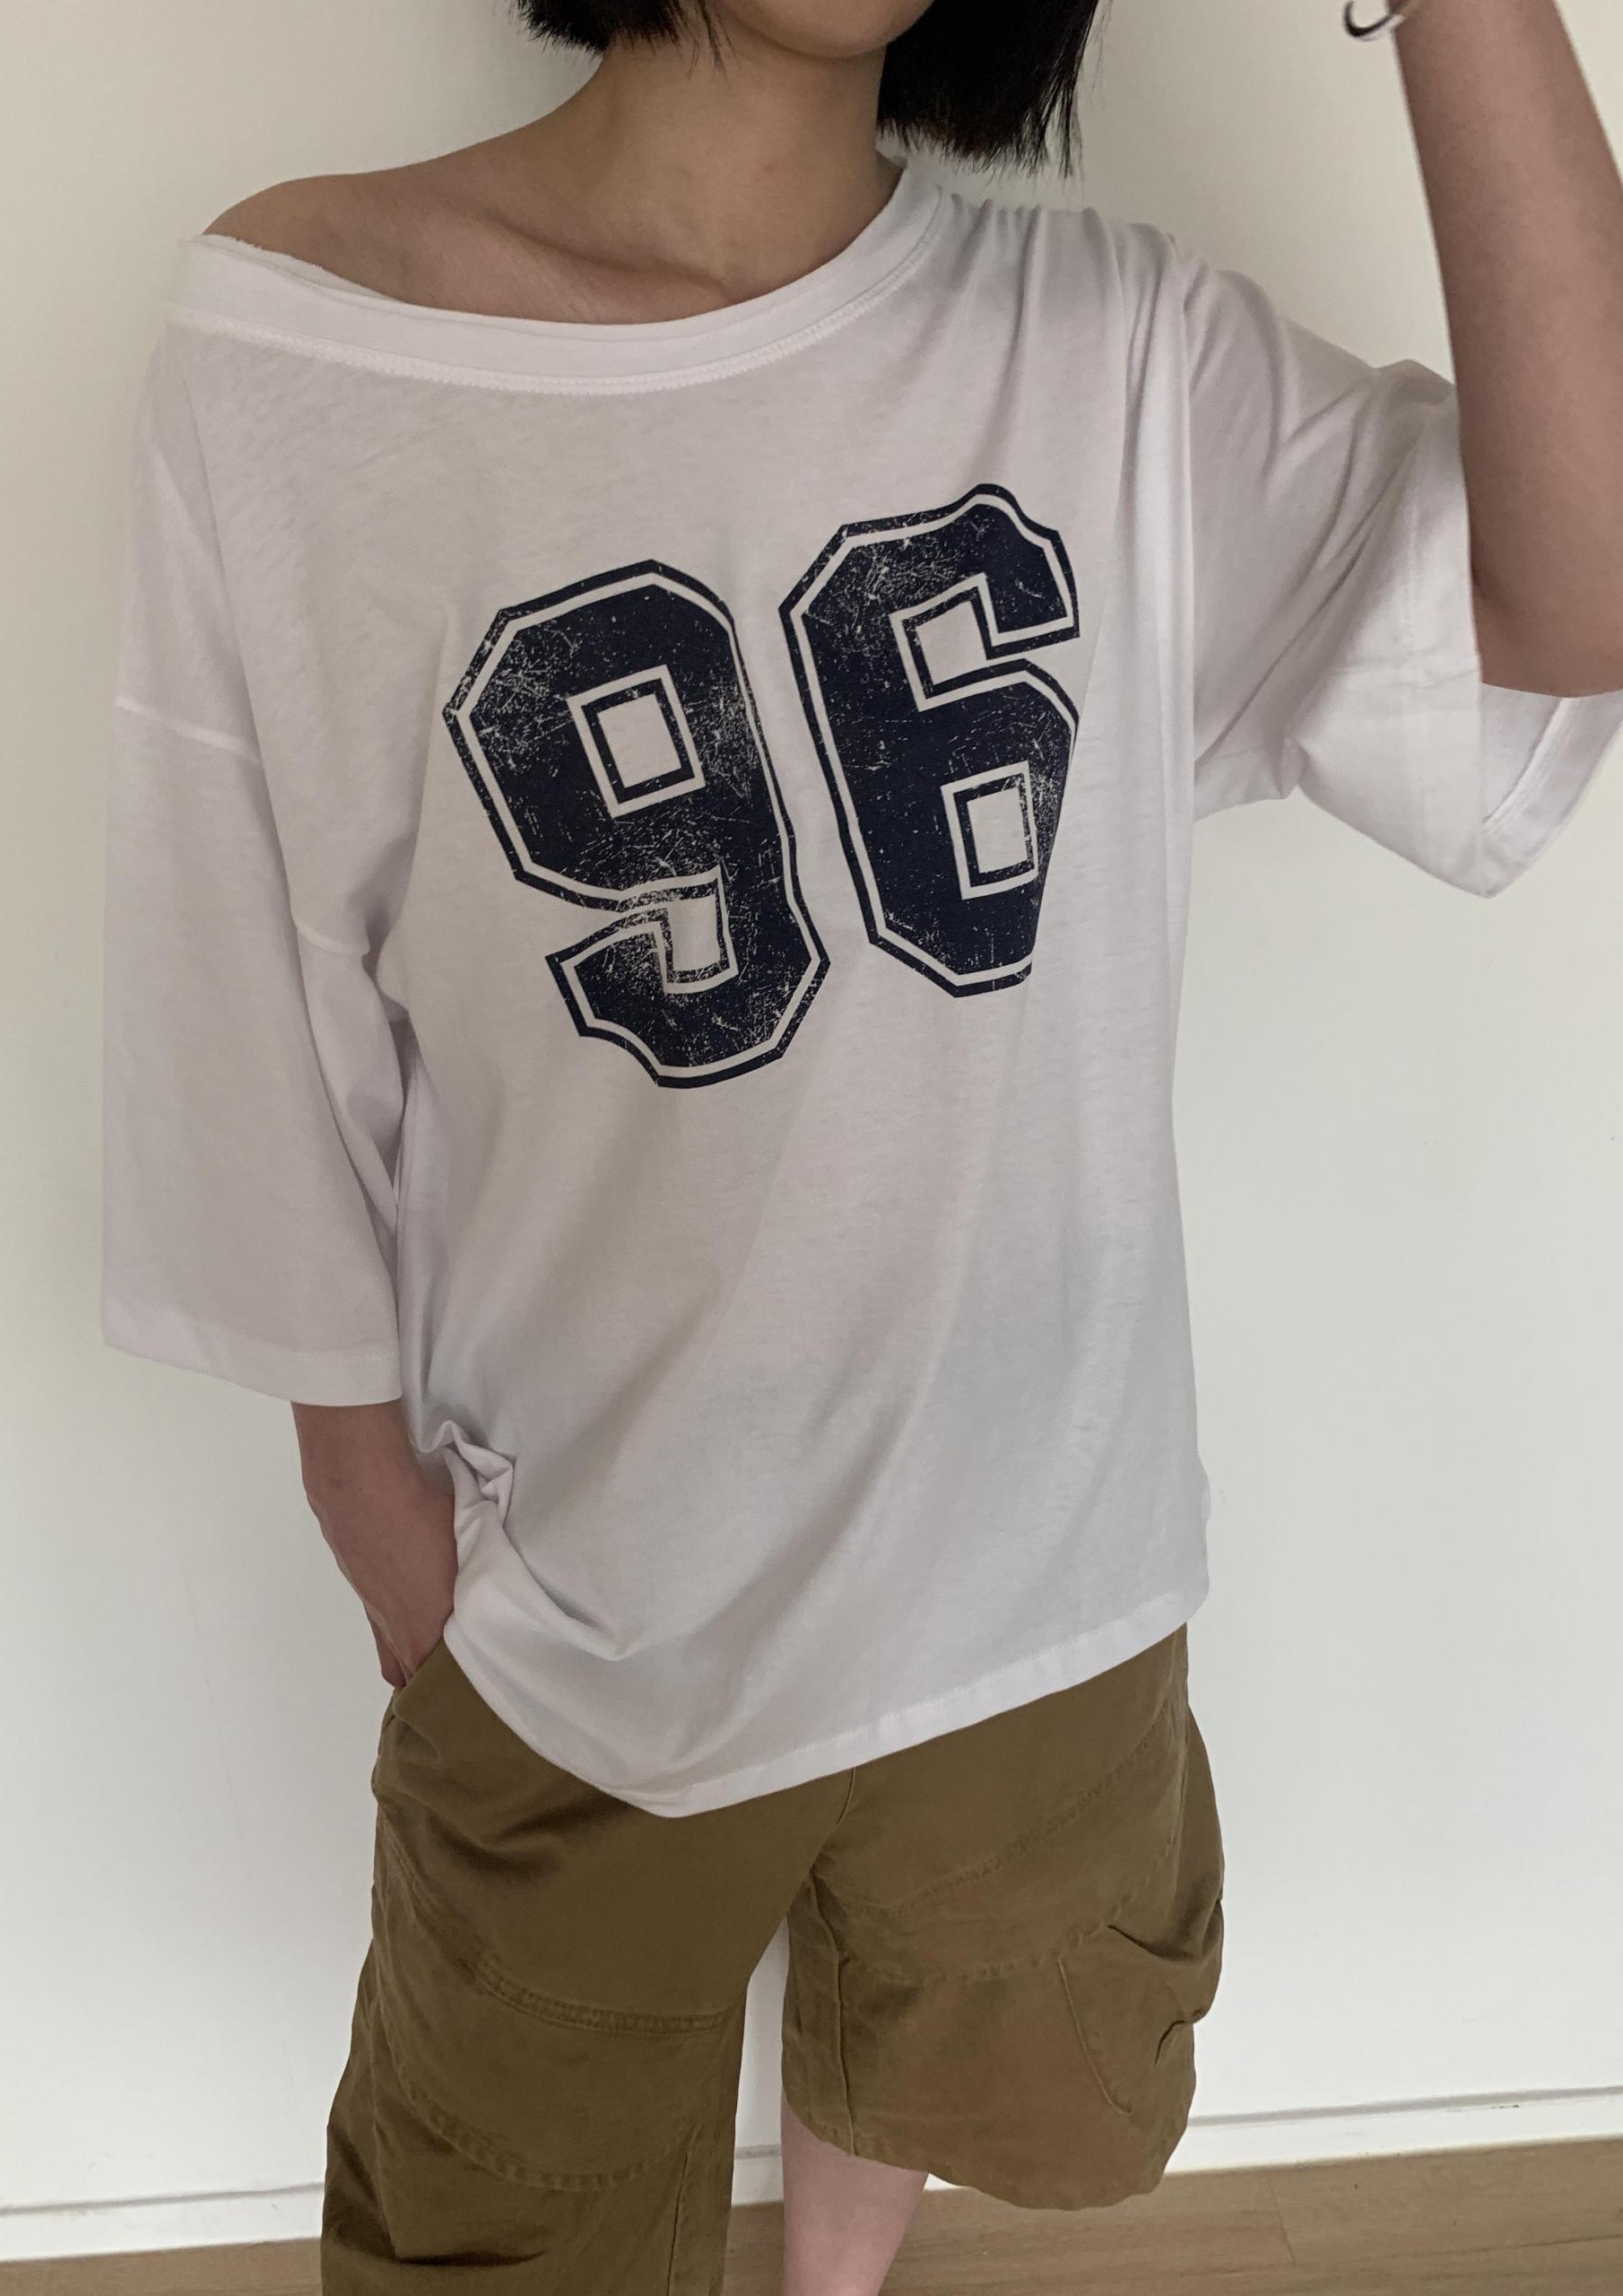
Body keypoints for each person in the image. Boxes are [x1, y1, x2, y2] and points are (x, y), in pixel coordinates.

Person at [99, 0, 1623, 2289]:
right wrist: (359, 1477)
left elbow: (1580, 594)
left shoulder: (1113, 351)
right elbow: (239, 968)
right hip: (590, 1592)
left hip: (1039, 1570)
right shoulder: (304, 342)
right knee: (504, 2205)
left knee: (948, 2051)